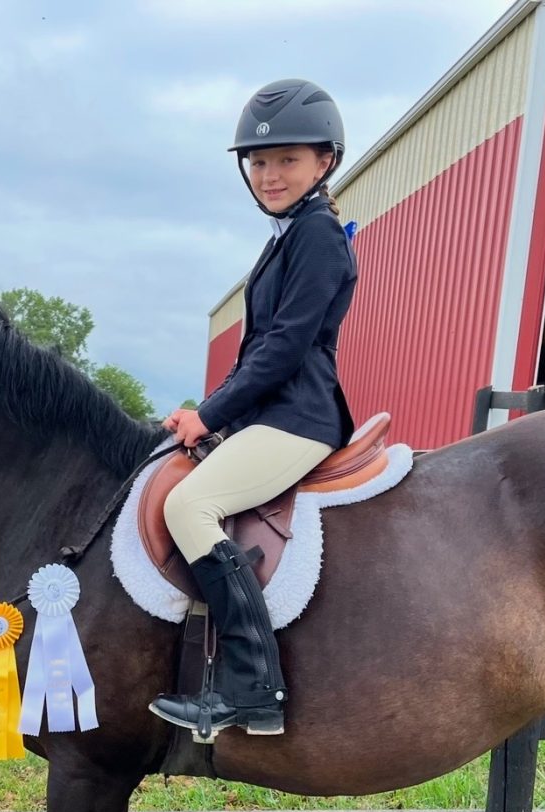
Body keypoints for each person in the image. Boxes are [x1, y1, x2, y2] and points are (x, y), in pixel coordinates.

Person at [148, 78, 358, 740]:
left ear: (324, 161)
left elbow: (285, 351)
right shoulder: (286, 235)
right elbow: (256, 350)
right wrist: (215, 416)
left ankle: (252, 687)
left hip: (299, 417)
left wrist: (209, 414)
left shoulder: (317, 236)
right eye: (259, 162)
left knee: (187, 506)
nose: (269, 174)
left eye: (286, 160)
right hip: (271, 412)